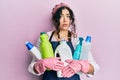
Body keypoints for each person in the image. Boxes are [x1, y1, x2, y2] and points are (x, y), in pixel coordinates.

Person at [28, 3, 99, 80]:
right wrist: (42, 64)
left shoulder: (77, 40)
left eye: (68, 16)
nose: (65, 20)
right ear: (55, 19)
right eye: (61, 16)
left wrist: (82, 65)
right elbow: (32, 67)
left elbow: (94, 67)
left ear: (71, 19)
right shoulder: (45, 38)